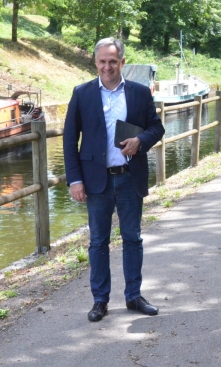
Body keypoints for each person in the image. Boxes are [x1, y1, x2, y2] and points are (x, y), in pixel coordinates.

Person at [63, 37, 165, 322]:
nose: (107, 66)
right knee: (98, 242)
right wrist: (74, 180)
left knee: (132, 238)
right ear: (96, 63)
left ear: (122, 62)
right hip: (96, 181)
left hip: (129, 177)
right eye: (102, 61)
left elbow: (157, 128)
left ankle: (134, 296)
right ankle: (100, 300)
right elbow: (70, 140)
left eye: (112, 61)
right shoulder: (82, 94)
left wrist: (140, 141)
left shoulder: (139, 93)